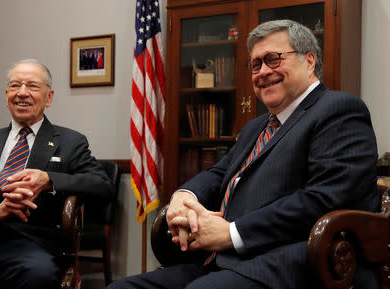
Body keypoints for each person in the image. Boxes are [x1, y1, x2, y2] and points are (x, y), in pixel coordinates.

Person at [107, 19, 379, 289]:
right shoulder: (256, 127)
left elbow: (324, 199)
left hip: (293, 264)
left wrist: (231, 233)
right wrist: (183, 197)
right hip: (221, 261)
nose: (262, 72)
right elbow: (218, 174)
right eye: (255, 64)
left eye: (273, 59)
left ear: (309, 61)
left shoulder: (338, 110)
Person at [0, 59, 114, 289]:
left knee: (38, 274)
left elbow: (102, 186)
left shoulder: (71, 142)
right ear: (6, 95)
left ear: (49, 97)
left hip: (26, 244)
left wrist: (49, 180)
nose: (22, 93)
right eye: (15, 85)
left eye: (32, 86)